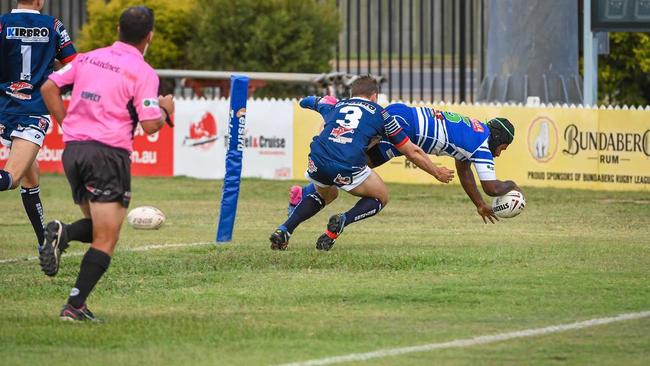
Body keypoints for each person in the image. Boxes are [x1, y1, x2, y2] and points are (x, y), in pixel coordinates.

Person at [40, 6, 175, 321]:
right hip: (107, 154)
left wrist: (67, 126)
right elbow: (151, 124)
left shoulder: (88, 57)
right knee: (107, 237)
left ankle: (64, 234)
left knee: (99, 227)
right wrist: (167, 109)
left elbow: (49, 87)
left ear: (117, 29)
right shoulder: (142, 72)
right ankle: (74, 305)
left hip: (74, 152)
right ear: (149, 37)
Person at [270, 76, 454, 252]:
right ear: (374, 96)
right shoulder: (382, 115)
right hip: (346, 162)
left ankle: (284, 230)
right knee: (381, 197)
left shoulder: (336, 105)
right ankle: (344, 219)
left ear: (352, 93)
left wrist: (316, 101)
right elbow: (411, 151)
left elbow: (307, 101)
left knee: (327, 194)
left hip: (317, 158)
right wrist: (436, 172)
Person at [289, 102, 520, 224]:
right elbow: (493, 188)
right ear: (498, 138)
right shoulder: (483, 144)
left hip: (406, 118)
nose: (499, 154)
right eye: (503, 148)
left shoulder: (476, 131)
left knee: (351, 165)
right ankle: (330, 108)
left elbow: (464, 170)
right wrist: (514, 187)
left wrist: (479, 204)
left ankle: (303, 194)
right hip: (406, 126)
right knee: (348, 158)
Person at [0, 0, 76, 255]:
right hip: (32, 112)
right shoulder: (53, 25)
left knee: (30, 177)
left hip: (3, 108)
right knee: (10, 178)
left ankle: (45, 242)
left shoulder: (2, 23)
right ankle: (46, 242)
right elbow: (74, 65)